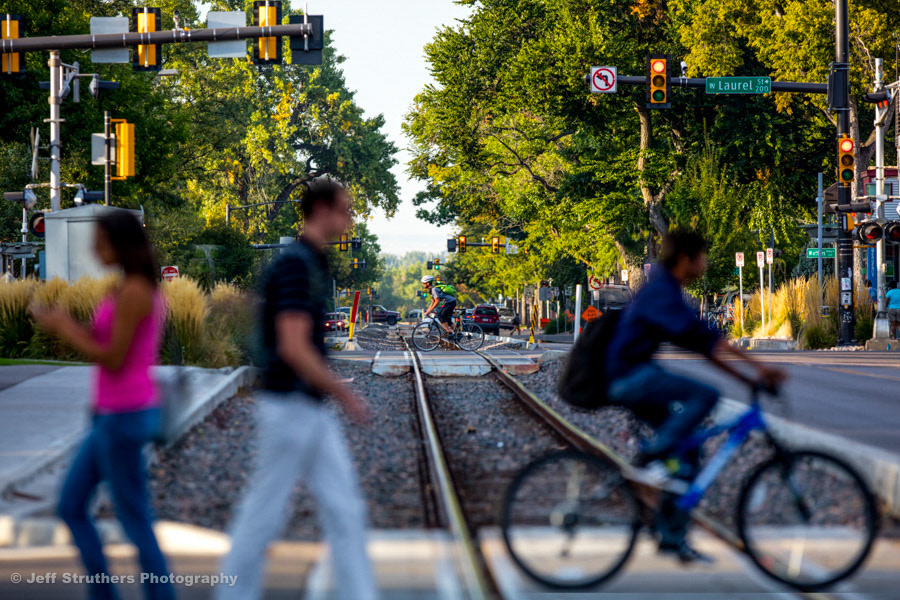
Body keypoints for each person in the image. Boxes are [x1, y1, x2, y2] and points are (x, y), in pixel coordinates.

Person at [216, 179, 377, 600]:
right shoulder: (295, 265)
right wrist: (345, 394)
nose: (350, 218)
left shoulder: (313, 262)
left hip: (308, 407)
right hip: (289, 407)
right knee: (265, 512)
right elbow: (292, 344)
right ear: (321, 211)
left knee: (343, 509)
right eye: (345, 209)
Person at [605, 230, 785, 564]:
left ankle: (673, 537)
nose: (705, 263)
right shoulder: (662, 293)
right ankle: (653, 455)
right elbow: (707, 340)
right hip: (627, 377)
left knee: (688, 453)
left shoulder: (667, 291)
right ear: (686, 259)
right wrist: (759, 370)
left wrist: (749, 377)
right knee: (706, 395)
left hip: (633, 377)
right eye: (702, 256)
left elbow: (703, 346)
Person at [31, 210, 174, 600]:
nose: (95, 248)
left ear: (121, 243)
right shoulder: (127, 287)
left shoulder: (136, 291)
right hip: (110, 415)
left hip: (125, 415)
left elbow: (113, 357)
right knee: (73, 506)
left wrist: (66, 328)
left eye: (101, 241)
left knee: (134, 521)